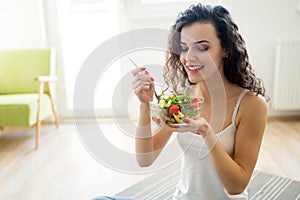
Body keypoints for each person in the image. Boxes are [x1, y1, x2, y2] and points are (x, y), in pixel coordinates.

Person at [95, 2, 268, 200]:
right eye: (184, 48)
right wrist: (145, 104)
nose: (189, 57)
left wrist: (206, 132)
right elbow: (145, 158)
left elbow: (236, 186)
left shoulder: (251, 105)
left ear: (226, 49)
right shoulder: (185, 97)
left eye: (203, 48)